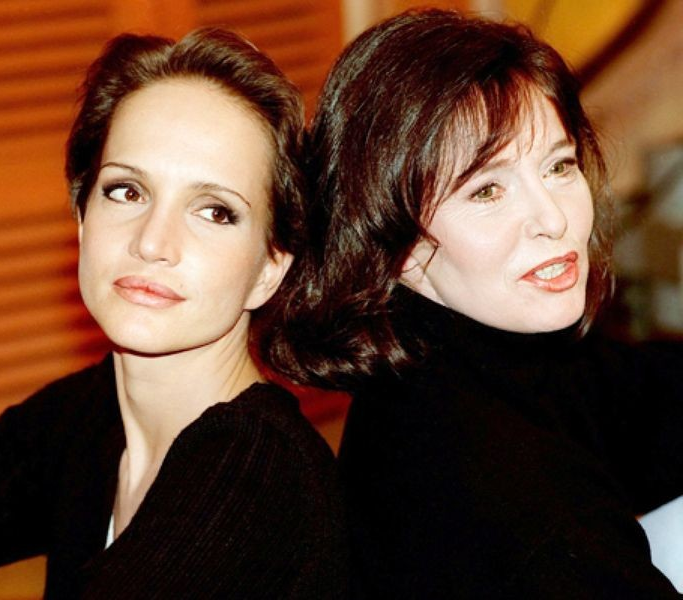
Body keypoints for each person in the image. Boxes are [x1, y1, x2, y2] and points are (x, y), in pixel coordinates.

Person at [0, 28, 348, 599]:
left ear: (269, 269)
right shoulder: (94, 414)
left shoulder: (256, 471)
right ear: (82, 220)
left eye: (214, 211)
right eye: (127, 191)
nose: (152, 242)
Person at [260, 8, 683, 598]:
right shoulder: (502, 491)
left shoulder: (473, 356)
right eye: (487, 190)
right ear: (395, 241)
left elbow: (641, 396)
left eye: (559, 166)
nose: (553, 218)